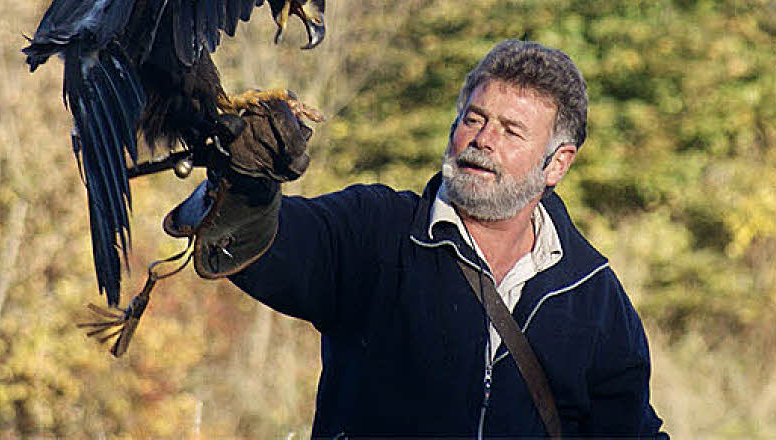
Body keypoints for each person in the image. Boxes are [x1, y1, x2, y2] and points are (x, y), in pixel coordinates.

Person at [167, 39, 667, 438]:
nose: (482, 140)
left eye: (511, 131)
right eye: (474, 118)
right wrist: (245, 183)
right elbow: (265, 244)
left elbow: (628, 430)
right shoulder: (377, 232)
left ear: (557, 163)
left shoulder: (591, 293)